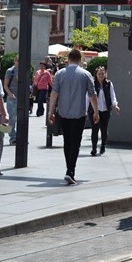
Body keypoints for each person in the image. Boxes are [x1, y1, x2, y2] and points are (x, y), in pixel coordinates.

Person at [47, 49, 99, 185]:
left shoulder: (59, 74)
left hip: (63, 113)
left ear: (68, 59)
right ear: (80, 59)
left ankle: (69, 169)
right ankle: (71, 171)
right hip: (79, 113)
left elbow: (54, 93)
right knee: (76, 142)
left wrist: (50, 111)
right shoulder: (86, 74)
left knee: (67, 141)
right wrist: (96, 112)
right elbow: (92, 95)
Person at [89, 66, 120, 156]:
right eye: (99, 74)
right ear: (96, 75)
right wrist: (85, 109)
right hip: (94, 110)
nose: (101, 75)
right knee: (94, 129)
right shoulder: (92, 84)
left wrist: (115, 105)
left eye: (103, 73)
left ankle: (103, 145)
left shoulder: (109, 84)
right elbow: (88, 97)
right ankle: (94, 148)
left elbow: (112, 96)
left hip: (105, 110)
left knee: (104, 129)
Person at [3, 56, 19, 145]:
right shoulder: (10, 71)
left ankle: (18, 136)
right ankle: (12, 138)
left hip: (21, 98)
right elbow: (5, 85)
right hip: (12, 98)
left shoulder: (23, 70)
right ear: (14, 61)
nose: (19, 62)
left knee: (20, 119)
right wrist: (9, 93)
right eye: (18, 60)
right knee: (12, 119)